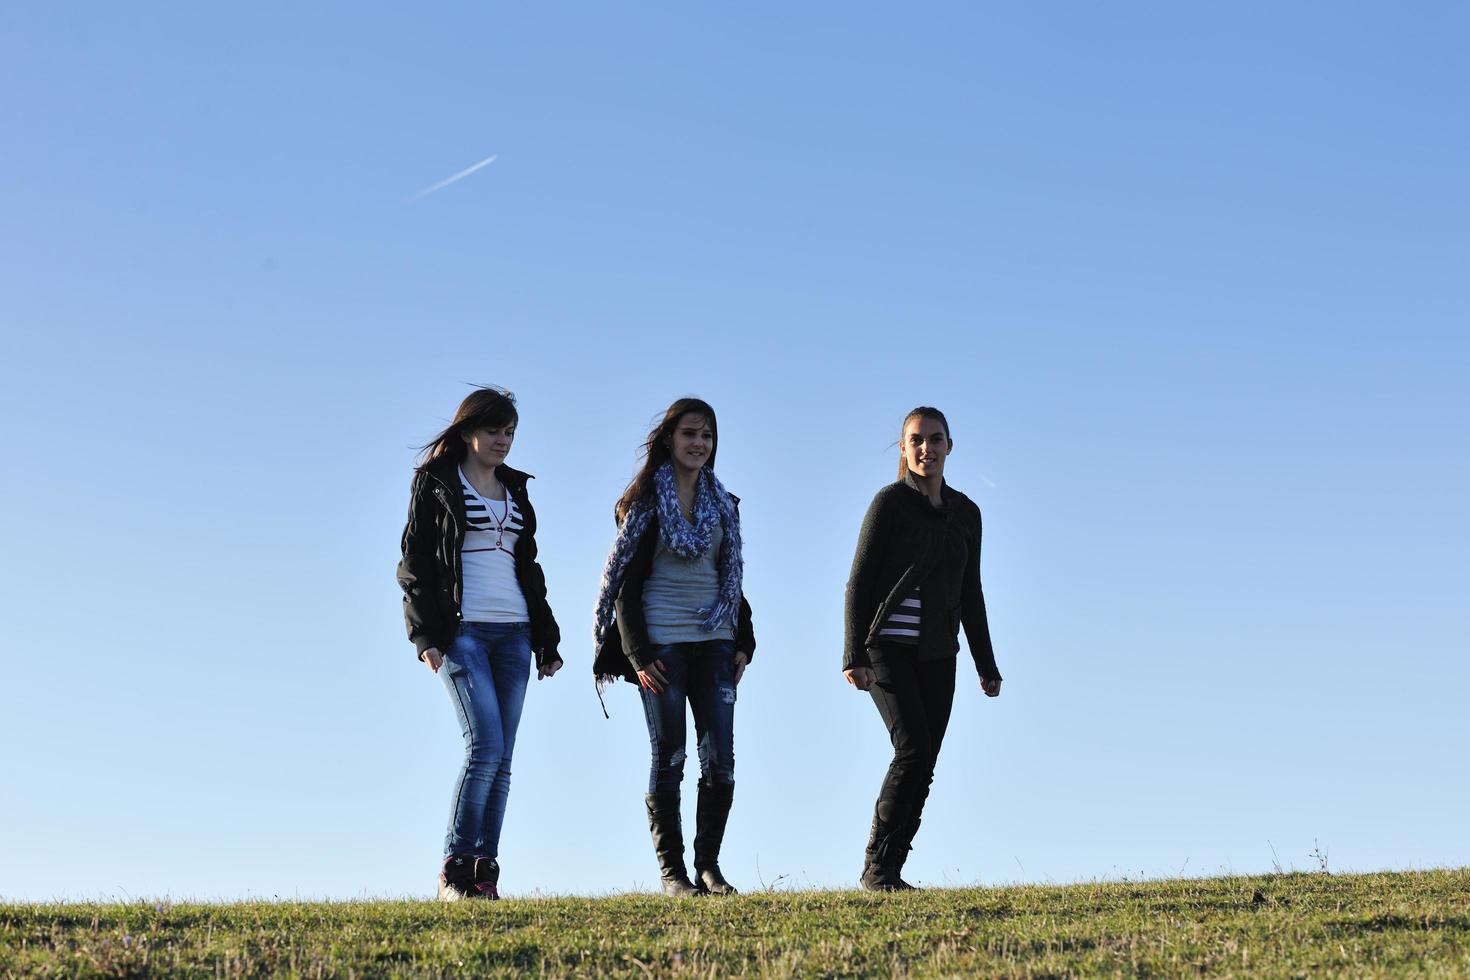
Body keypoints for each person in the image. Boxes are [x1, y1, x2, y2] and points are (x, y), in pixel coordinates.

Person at [396, 386, 563, 900]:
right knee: (483, 745)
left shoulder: (515, 488)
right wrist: (424, 634)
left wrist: (546, 638)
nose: (503, 441)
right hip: (461, 631)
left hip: (514, 633)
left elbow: (527, 567)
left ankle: (484, 874)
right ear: (468, 430)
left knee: (504, 756)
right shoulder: (436, 483)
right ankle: (455, 871)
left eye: (510, 432)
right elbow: (414, 563)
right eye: (494, 430)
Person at [593, 398, 756, 897]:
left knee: (721, 758)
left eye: (707, 435)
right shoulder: (644, 504)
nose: (698, 444)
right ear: (669, 438)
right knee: (670, 756)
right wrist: (638, 654)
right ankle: (673, 874)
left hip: (715, 641)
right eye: (689, 433)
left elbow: (732, 579)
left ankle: (709, 866)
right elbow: (625, 584)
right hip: (661, 645)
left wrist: (744, 641)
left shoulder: (723, 504)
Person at [843, 406, 1003, 891]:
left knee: (925, 759)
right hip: (887, 648)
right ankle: (876, 868)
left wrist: (986, 664)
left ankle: (891, 869)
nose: (926, 449)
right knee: (911, 748)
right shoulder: (889, 503)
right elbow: (859, 581)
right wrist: (854, 654)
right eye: (916, 440)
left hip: (938, 654)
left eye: (935, 440)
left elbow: (970, 592)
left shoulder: (967, 513)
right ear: (903, 448)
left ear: (949, 446)